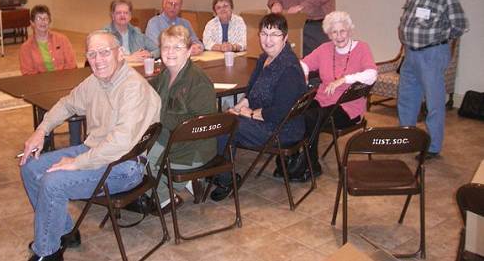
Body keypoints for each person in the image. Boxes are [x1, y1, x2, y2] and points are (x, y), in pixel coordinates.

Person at [20, 30, 161, 261]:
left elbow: (121, 143)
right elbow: (67, 104)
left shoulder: (133, 87)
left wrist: (77, 163)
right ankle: (65, 233)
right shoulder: (96, 81)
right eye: (92, 54)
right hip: (96, 152)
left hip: (125, 165)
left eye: (104, 52)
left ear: (119, 54)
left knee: (53, 182)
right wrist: (41, 130)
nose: (98, 60)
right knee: (30, 167)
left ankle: (47, 253)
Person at [210, 13, 307, 201]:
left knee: (225, 128)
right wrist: (239, 107)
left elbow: (279, 113)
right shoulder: (264, 59)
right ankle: (218, 168)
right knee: (223, 119)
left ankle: (225, 179)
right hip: (269, 120)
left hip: (283, 129)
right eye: (264, 33)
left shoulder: (288, 68)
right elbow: (252, 91)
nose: (268, 40)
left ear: (285, 38)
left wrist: (251, 114)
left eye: (274, 34)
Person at [281, 11, 377, 180]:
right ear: (328, 33)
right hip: (323, 99)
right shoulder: (325, 49)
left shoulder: (362, 48)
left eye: (342, 31)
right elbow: (303, 64)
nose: (339, 36)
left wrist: (344, 79)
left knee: (310, 118)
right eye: (334, 32)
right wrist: (302, 77)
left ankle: (311, 165)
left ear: (349, 30)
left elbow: (372, 74)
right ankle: (291, 158)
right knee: (295, 111)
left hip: (348, 107)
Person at [398, 0, 468, 159]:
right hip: (411, 53)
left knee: (434, 103)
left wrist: (439, 38)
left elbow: (460, 24)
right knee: (407, 97)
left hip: (432, 54)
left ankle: (433, 146)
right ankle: (406, 138)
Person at [147, 25, 217, 212]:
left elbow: (203, 125)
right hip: (170, 138)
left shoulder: (197, 81)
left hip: (193, 147)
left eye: (177, 47)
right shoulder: (165, 73)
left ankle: (165, 199)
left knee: (140, 167)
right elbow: (146, 91)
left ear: (188, 52)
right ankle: (184, 182)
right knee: (132, 155)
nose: (170, 52)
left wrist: (158, 118)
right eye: (165, 47)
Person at [19, 5, 82, 146]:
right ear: (32, 23)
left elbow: (71, 64)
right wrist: (48, 84)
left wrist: (62, 83)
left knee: (75, 104)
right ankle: (46, 143)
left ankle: (76, 143)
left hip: (66, 86)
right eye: (39, 18)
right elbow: (28, 74)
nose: (43, 22)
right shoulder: (26, 48)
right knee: (43, 105)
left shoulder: (62, 39)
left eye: (46, 18)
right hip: (43, 90)